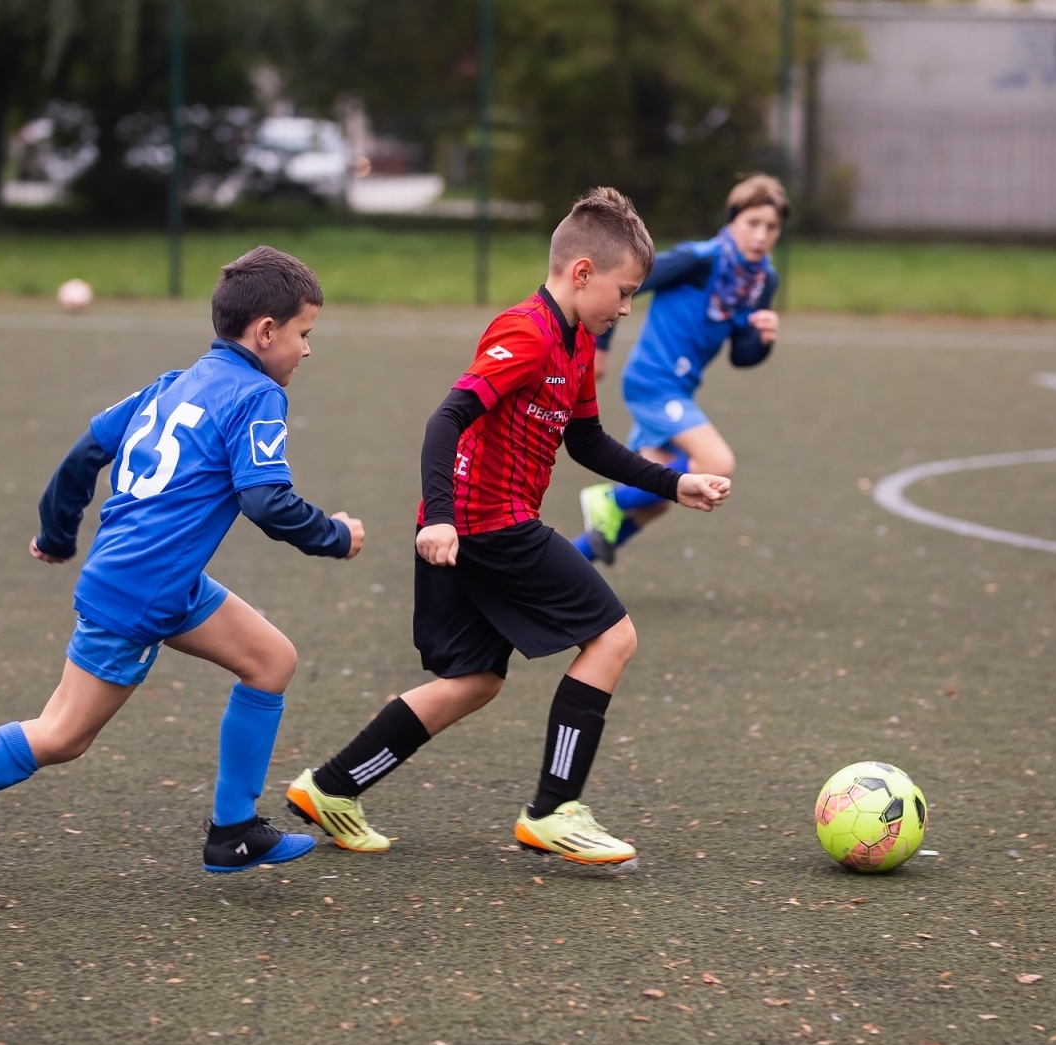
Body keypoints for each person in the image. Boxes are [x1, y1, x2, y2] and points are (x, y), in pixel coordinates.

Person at [0, 247, 366, 897]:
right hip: (143, 589)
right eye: (304, 334)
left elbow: (85, 453)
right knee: (62, 735)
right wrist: (334, 535)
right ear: (265, 331)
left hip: (159, 577)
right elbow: (266, 500)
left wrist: (56, 533)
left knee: (271, 660)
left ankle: (233, 831)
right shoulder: (258, 395)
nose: (307, 349)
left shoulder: (174, 383)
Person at [285, 188, 731, 866]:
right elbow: (446, 420)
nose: (625, 308)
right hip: (485, 526)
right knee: (613, 637)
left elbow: (587, 441)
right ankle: (554, 810)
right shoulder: (526, 333)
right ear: (582, 272)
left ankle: (332, 787)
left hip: (478, 528)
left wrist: (674, 482)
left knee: (474, 679)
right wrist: (440, 520)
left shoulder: (578, 342)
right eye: (623, 292)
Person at [570, 174, 786, 566]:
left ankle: (565, 569)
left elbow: (742, 355)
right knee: (716, 463)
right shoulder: (698, 260)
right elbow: (619, 283)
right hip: (652, 381)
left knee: (654, 502)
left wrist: (763, 340)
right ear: (733, 220)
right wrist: (599, 347)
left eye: (771, 227)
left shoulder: (761, 281)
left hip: (679, 390)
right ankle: (608, 499)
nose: (761, 236)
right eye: (752, 223)